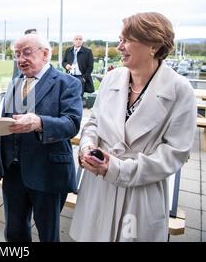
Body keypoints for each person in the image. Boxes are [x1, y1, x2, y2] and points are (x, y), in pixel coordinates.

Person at [69, 12, 197, 242]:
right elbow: (94, 123)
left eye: (127, 40)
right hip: (99, 187)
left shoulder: (180, 90)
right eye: (120, 39)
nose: (119, 47)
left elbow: (175, 153)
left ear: (154, 46)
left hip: (140, 193)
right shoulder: (111, 78)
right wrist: (86, 148)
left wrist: (118, 169)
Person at [0, 34, 83, 242]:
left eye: (27, 53)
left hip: (48, 172)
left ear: (46, 54)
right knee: (14, 232)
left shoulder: (68, 83)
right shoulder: (15, 83)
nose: (21, 59)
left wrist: (39, 122)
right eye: (17, 54)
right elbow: (6, 123)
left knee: (48, 235)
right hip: (13, 172)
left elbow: (72, 124)